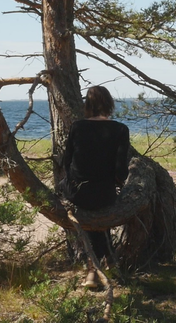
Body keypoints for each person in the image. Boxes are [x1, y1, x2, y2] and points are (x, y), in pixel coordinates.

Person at [61, 85, 130, 289]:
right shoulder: (120, 130)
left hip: (78, 191)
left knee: (89, 212)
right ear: (109, 104)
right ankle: (106, 261)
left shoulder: (77, 127)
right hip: (104, 193)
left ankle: (93, 270)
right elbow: (121, 171)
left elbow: (67, 162)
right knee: (100, 213)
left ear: (88, 105)